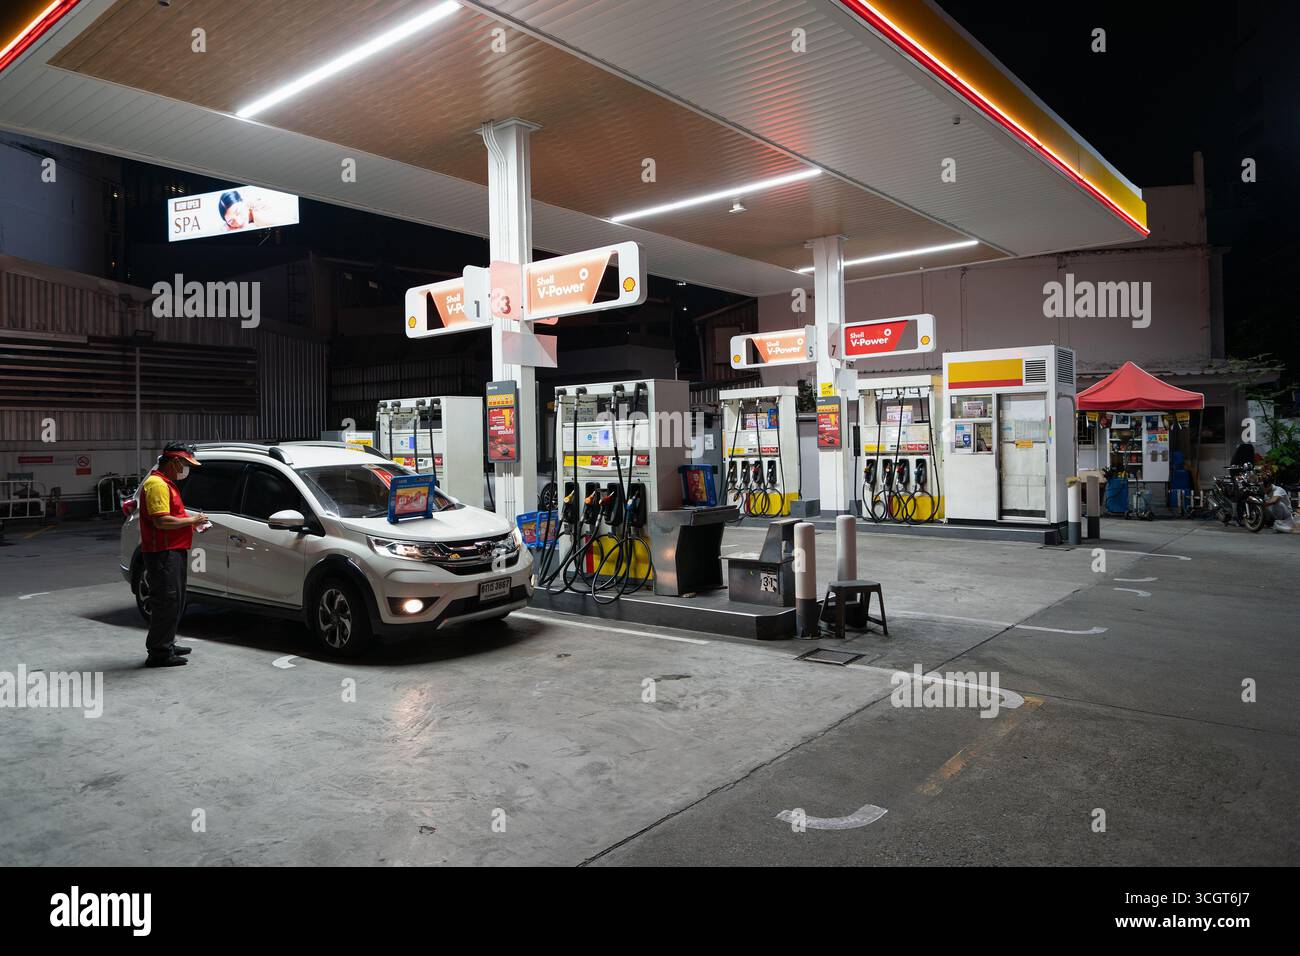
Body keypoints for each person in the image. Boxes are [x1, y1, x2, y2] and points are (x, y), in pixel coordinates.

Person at [138, 442, 208, 667]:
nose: (186, 469)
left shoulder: (167, 483)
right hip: (162, 553)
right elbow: (162, 521)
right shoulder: (157, 484)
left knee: (175, 600)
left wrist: (191, 522)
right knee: (166, 601)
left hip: (172, 551)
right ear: (174, 461)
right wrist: (193, 520)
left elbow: (171, 515)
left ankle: (166, 643)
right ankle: (159, 653)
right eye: (185, 464)